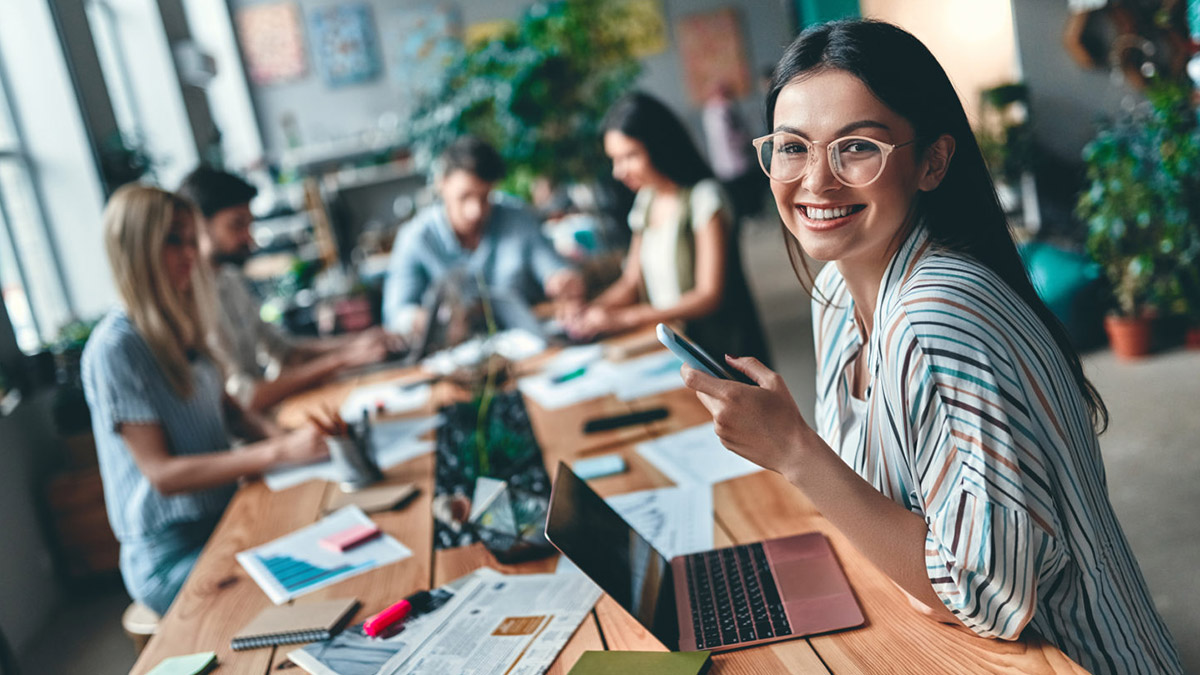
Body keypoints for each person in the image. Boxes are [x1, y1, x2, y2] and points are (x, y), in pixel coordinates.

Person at [680, 20, 1182, 674]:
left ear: (933, 161)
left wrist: (794, 450)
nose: (817, 181)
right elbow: (886, 514)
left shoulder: (937, 312)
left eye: (856, 147)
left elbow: (987, 595)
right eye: (793, 147)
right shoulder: (835, 292)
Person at [81, 185, 330, 616]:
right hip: (170, 555)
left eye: (189, 239)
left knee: (322, 545)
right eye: (172, 240)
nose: (190, 254)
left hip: (223, 521)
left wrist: (288, 440)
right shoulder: (115, 347)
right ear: (137, 249)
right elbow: (162, 474)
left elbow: (230, 412)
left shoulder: (185, 320)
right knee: (303, 589)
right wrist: (279, 451)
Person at [565, 92, 770, 365]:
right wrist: (590, 311)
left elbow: (709, 295)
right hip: (674, 350)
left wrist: (627, 317)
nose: (618, 171)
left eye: (629, 156)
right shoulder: (646, 200)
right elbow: (631, 281)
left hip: (720, 353)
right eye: (614, 159)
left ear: (659, 146)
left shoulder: (705, 198)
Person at [177, 167, 389, 412]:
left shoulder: (231, 278)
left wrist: (358, 343)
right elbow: (244, 398)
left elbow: (282, 350)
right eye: (236, 225)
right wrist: (341, 359)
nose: (250, 238)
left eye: (250, 224)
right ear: (198, 225)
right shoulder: (191, 300)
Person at [381, 136, 584, 335]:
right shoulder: (415, 238)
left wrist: (563, 281)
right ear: (441, 184)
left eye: (484, 197)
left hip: (526, 345)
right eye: (464, 196)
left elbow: (553, 269)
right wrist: (425, 321)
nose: (475, 211)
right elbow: (396, 314)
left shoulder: (517, 218)